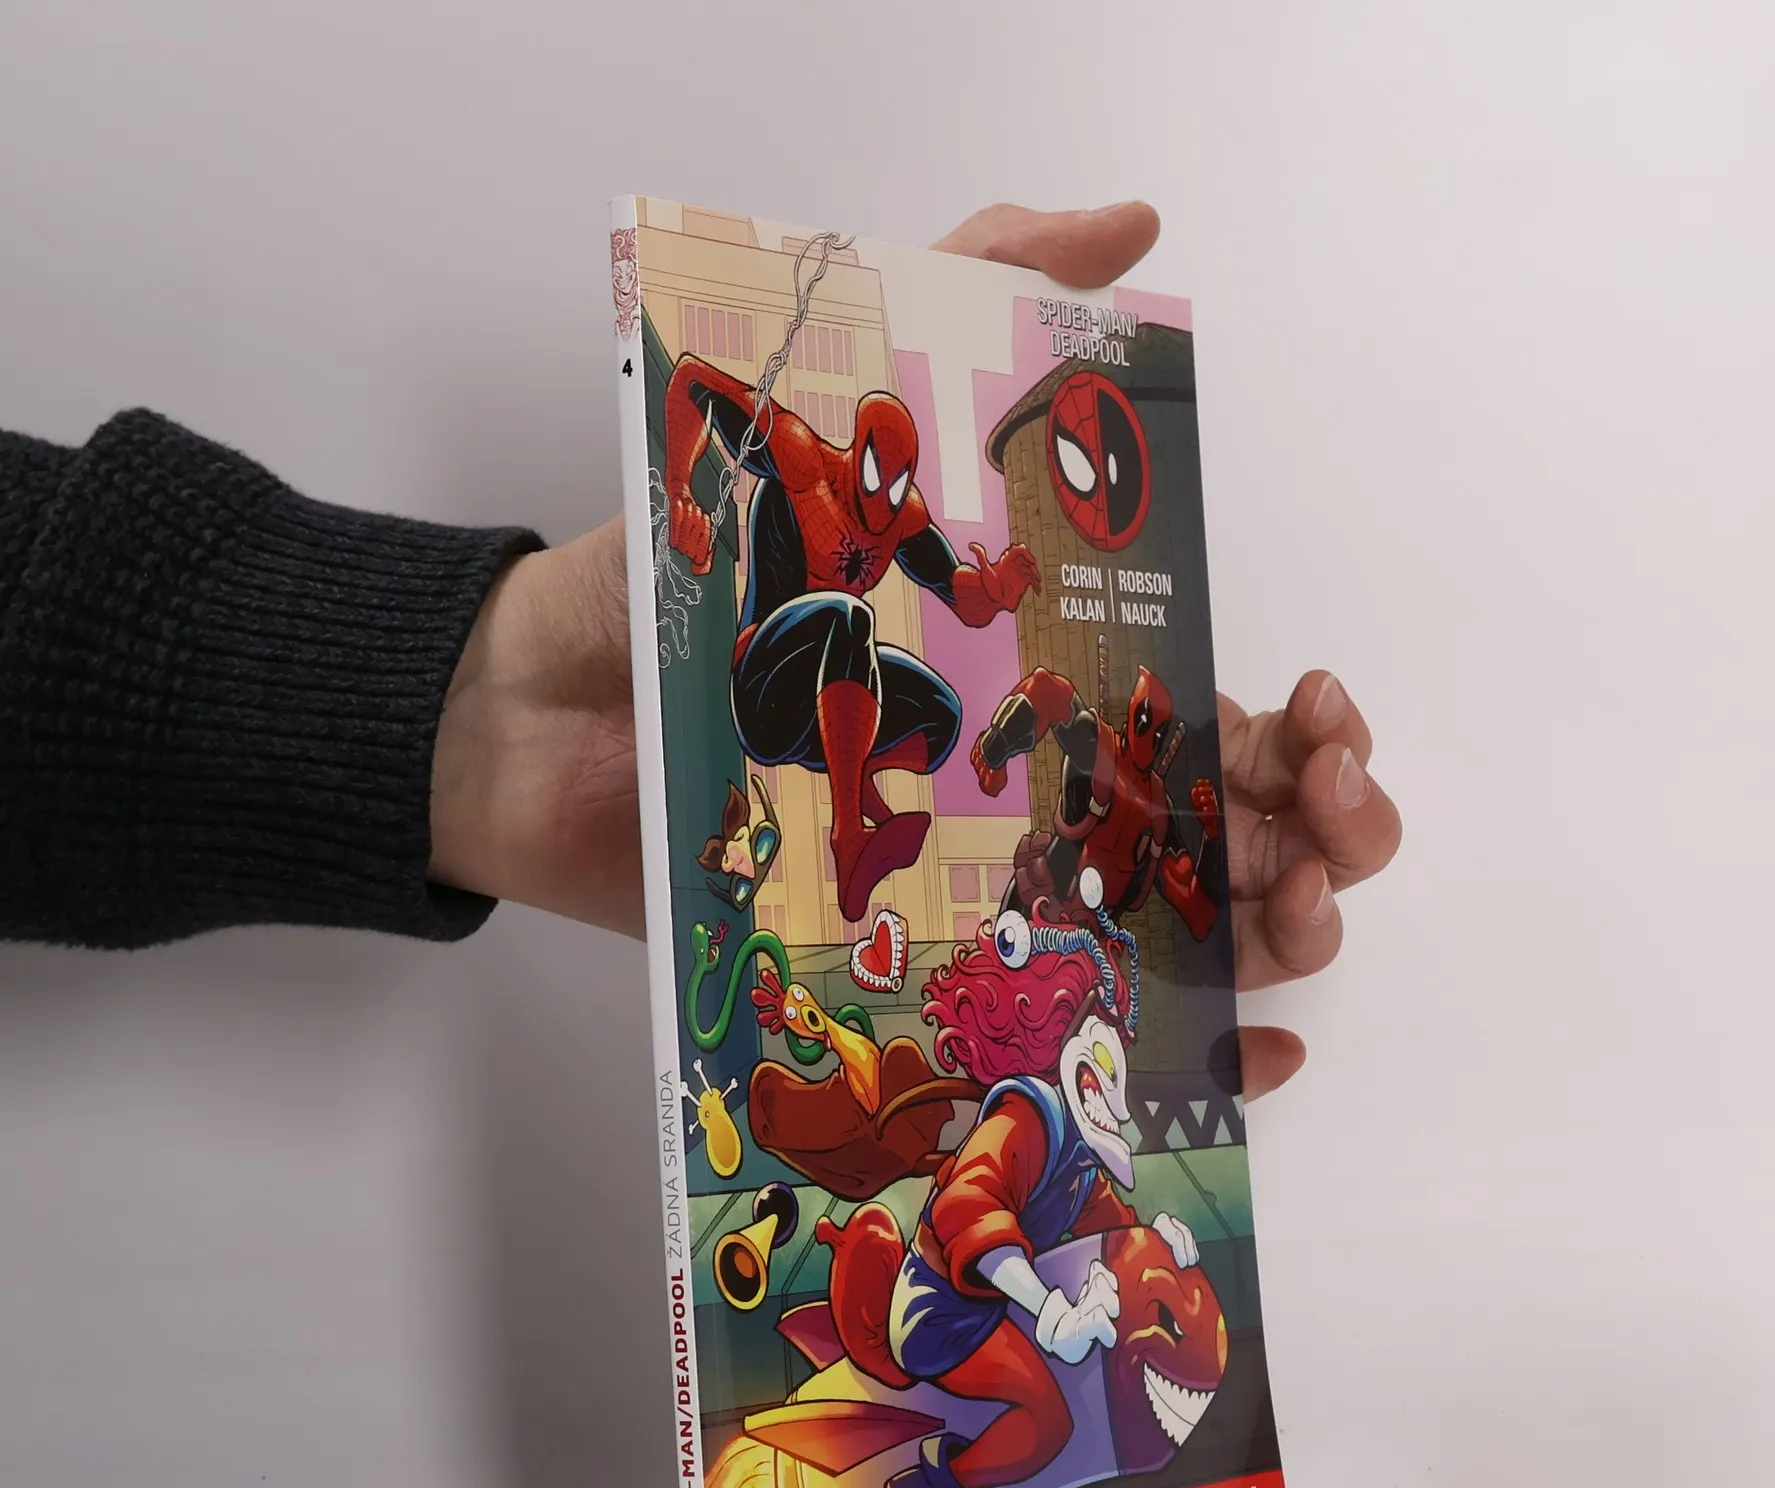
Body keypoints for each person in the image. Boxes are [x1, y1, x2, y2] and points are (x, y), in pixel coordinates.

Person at [0, 202, 1400, 1101]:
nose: (892, 506)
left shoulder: (905, 523)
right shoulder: (802, 455)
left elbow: (966, 599)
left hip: (822, 703)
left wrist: (1007, 579)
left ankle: (890, 819)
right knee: (845, 628)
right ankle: (853, 830)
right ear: (858, 450)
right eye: (883, 480)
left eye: (905, 492)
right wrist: (682, 499)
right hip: (764, 671)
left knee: (923, 694)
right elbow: (712, 397)